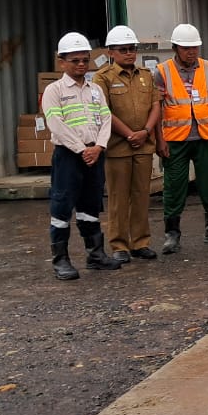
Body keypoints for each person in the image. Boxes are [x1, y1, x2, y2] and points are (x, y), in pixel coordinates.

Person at [42, 32, 122, 280]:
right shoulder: (53, 91)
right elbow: (56, 124)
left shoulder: (95, 90)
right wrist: (81, 149)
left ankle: (95, 255)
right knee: (62, 207)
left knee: (90, 206)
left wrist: (98, 146)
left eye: (84, 60)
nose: (80, 65)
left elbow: (106, 118)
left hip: (94, 155)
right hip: (69, 156)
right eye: (74, 60)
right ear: (61, 61)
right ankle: (61, 261)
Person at [154, 22, 208, 253]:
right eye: (186, 48)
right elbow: (156, 105)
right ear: (176, 48)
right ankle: (172, 235)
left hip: (206, 136)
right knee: (174, 186)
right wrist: (160, 139)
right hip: (176, 138)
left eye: (195, 47)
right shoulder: (162, 71)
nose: (191, 52)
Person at [93, 25, 160, 264]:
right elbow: (103, 111)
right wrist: (130, 134)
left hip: (143, 145)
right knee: (119, 197)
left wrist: (145, 132)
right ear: (111, 52)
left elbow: (155, 105)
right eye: (123, 50)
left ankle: (140, 242)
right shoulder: (102, 78)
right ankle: (119, 244)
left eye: (132, 49)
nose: (129, 53)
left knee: (141, 195)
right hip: (118, 148)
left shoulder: (146, 75)